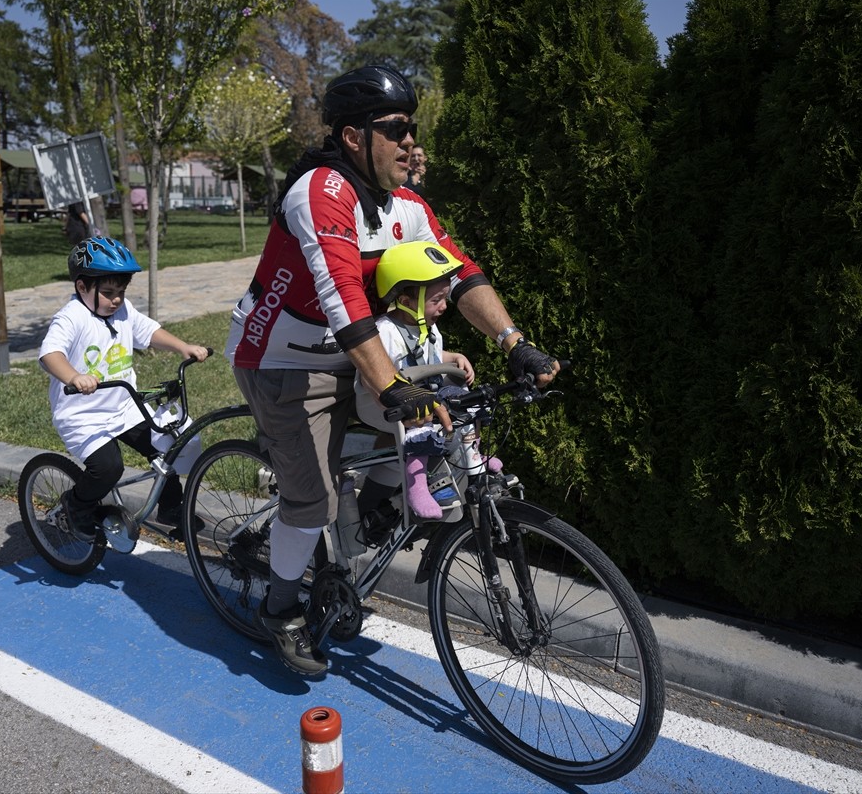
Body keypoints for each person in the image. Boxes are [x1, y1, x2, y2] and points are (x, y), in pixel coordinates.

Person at [224, 64, 559, 676]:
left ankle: (364, 527)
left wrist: (514, 344)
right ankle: (280, 612)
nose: (411, 141)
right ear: (354, 137)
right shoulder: (320, 192)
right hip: (283, 359)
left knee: (432, 431)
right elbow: (342, 299)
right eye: (396, 128)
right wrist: (392, 386)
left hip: (364, 350)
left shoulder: (404, 203)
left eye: (414, 127)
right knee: (312, 502)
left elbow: (458, 272)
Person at [39, 237, 210, 540]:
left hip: (124, 405)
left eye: (121, 291)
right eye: (107, 293)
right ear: (82, 288)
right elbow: (50, 354)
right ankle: (75, 506)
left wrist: (182, 347)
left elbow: (148, 331)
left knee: (167, 445)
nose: (116, 299)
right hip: (82, 414)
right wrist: (74, 377)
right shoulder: (71, 317)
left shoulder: (122, 310)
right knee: (108, 468)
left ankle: (171, 508)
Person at [354, 240, 502, 521]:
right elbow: (378, 372)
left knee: (465, 399)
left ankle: (472, 453)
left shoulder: (427, 327)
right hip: (379, 401)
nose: (444, 306)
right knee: (425, 412)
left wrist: (452, 356)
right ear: (406, 301)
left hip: (420, 392)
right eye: (437, 300)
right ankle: (417, 483)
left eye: (445, 298)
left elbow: (426, 356)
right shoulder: (386, 331)